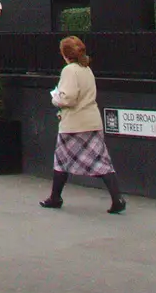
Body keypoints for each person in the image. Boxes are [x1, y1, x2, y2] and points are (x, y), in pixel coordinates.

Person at [40, 35, 125, 214]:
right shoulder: (86, 69)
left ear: (65, 54)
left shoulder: (69, 70)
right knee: (101, 161)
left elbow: (68, 97)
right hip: (92, 121)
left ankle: (55, 197)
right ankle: (117, 198)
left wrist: (56, 98)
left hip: (73, 124)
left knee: (61, 160)